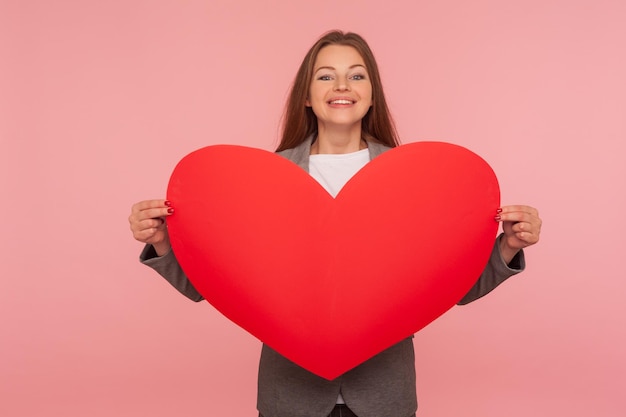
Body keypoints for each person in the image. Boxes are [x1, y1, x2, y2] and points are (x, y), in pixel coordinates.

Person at [128, 30, 542, 417]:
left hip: (385, 397)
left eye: (356, 75)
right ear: (307, 96)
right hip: (290, 397)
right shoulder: (263, 181)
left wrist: (506, 248)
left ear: (371, 94)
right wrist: (165, 242)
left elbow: (452, 288)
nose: (342, 86)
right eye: (326, 76)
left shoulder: (413, 182)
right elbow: (214, 286)